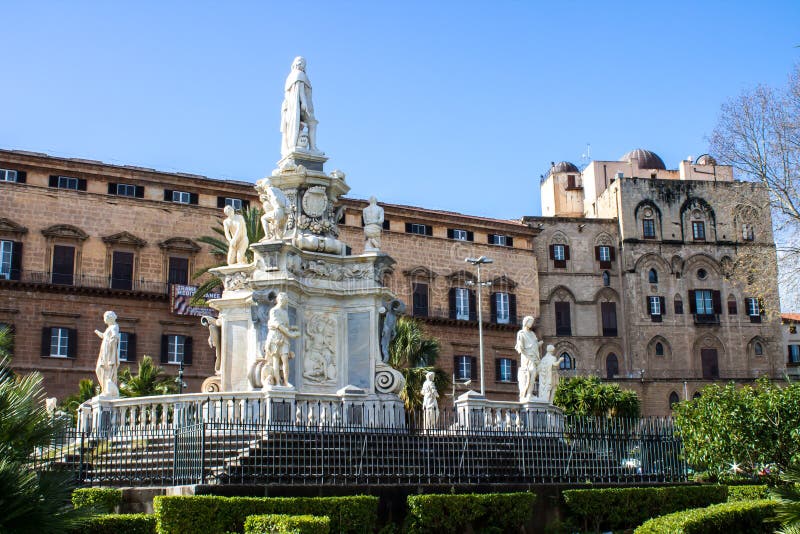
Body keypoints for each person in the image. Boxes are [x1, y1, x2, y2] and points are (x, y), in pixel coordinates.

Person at [281, 56, 318, 156]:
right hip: (301, 104)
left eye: (303, 63)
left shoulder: (290, 77)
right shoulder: (299, 74)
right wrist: (304, 103)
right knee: (312, 123)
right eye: (300, 63)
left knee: (306, 124)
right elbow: (301, 91)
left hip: (294, 106)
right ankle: (313, 147)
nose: (301, 65)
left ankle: (311, 147)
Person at [262, 293, 300, 387]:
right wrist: (290, 333)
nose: (286, 302)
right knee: (276, 360)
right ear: (280, 300)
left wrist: (292, 328)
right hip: (275, 337)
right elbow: (278, 325)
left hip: (284, 337)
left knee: (285, 359)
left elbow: (285, 326)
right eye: (285, 300)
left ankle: (286, 382)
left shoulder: (284, 312)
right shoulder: (273, 311)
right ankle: (278, 382)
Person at [515, 315, 542, 402]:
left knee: (533, 375)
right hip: (526, 357)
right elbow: (520, 346)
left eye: (532, 322)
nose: (531, 324)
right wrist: (520, 346)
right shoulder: (521, 333)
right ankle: (524, 394)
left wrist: (538, 344)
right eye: (530, 322)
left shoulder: (532, 334)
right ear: (526, 322)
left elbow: (534, 344)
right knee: (528, 375)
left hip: (534, 357)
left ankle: (529, 393)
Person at [94, 311, 120, 398]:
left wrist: (113, 340)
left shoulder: (114, 327)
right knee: (99, 369)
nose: (105, 320)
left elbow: (115, 335)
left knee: (106, 369)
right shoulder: (108, 328)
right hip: (104, 350)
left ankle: (108, 390)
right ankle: (104, 389)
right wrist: (97, 332)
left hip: (108, 351)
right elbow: (104, 336)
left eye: (106, 318)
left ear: (110, 318)